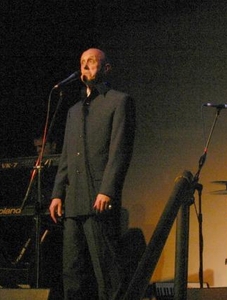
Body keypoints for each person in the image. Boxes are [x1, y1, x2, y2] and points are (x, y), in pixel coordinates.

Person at [49, 48, 136, 300]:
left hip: (98, 199)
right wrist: (57, 193)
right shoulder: (74, 111)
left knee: (107, 273)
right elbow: (66, 155)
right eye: (82, 62)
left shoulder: (119, 101)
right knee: (72, 273)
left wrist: (107, 189)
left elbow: (120, 151)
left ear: (106, 68)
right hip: (73, 200)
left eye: (92, 62)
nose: (85, 67)